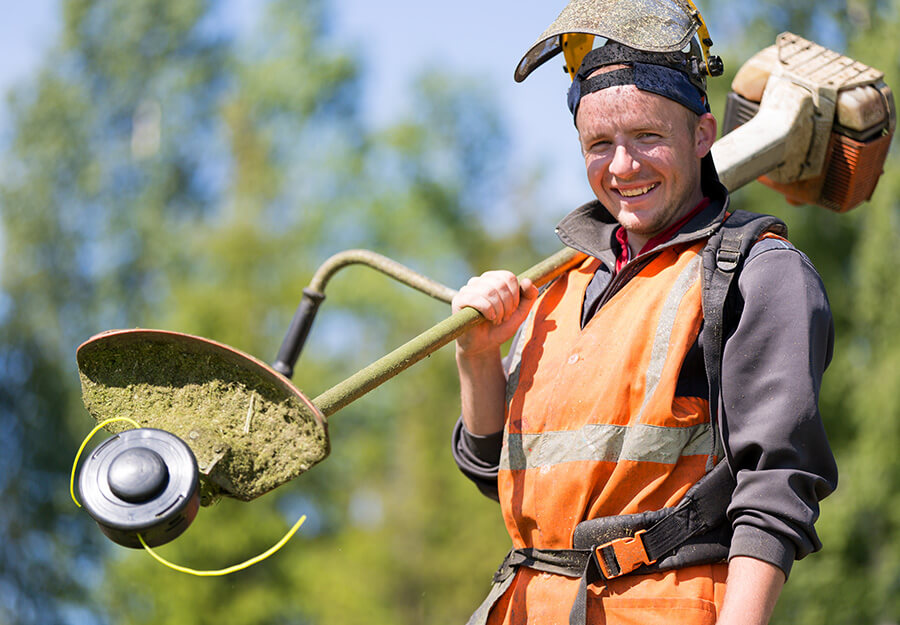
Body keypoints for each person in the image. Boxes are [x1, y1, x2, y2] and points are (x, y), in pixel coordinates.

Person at [450, 41, 837, 625]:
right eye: (599, 145)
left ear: (703, 135)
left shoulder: (758, 271)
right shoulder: (561, 284)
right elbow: (492, 473)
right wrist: (477, 356)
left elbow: (777, 487)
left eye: (647, 136)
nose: (623, 166)